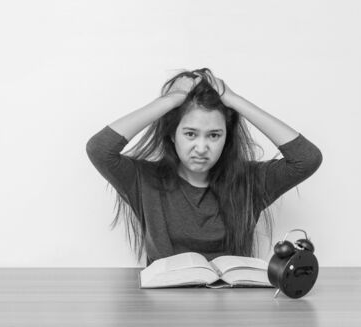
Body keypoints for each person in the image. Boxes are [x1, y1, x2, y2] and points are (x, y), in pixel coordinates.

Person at [86, 68, 322, 266]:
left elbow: (307, 158)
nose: (201, 147)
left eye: (214, 135)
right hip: (164, 310)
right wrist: (170, 100)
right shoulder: (144, 180)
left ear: (226, 138)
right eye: (190, 134)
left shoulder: (250, 182)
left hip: (230, 311)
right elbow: (99, 149)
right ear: (172, 135)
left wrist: (234, 101)